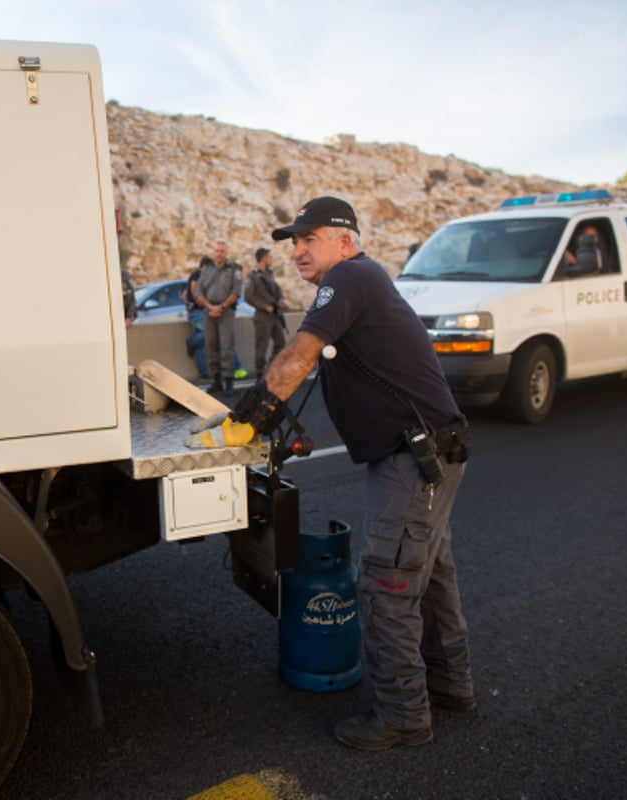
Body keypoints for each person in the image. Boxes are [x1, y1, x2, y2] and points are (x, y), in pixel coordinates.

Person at [202, 197, 475, 751]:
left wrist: (246, 423)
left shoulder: (350, 277)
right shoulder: (360, 280)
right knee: (431, 572)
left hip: (414, 459)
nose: (297, 251)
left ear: (345, 241)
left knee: (387, 582)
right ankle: (450, 686)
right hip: (427, 453)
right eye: (293, 242)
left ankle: (403, 714)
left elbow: (298, 357)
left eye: (310, 239)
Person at [194, 240, 243, 394]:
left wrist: (221, 307)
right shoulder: (207, 270)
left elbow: (236, 292)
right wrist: (210, 307)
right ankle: (216, 380)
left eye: (222, 251)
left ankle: (228, 381)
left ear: (226, 253)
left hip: (225, 311)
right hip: (209, 312)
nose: (219, 254)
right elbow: (198, 292)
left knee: (226, 346)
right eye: (217, 251)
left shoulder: (234, 270)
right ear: (213, 252)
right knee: (211, 346)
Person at [243, 247, 287, 376]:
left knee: (280, 342)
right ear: (263, 258)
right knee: (261, 347)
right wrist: (264, 306)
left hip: (274, 314)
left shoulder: (269, 274)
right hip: (262, 316)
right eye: (269, 257)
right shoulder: (252, 276)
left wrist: (281, 300)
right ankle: (260, 374)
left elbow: (277, 290)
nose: (271, 259)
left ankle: (271, 370)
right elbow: (248, 296)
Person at [183, 261, 210, 379]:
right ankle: (190, 341)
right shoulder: (198, 275)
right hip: (198, 312)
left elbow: (184, 295)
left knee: (201, 345)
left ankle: (203, 371)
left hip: (195, 311)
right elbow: (194, 292)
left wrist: (188, 304)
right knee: (207, 334)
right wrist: (202, 304)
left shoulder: (196, 275)